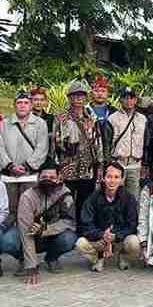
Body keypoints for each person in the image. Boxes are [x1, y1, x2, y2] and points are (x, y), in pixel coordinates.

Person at [9, 161, 77, 285]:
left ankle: (51, 258)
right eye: (44, 177)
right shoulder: (27, 197)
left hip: (51, 236)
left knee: (69, 238)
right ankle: (23, 260)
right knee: (8, 240)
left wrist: (45, 229)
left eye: (52, 178)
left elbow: (69, 222)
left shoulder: (65, 194)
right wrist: (31, 267)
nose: (48, 180)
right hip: (31, 235)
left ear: (59, 178)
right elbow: (25, 231)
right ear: (38, 178)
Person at [53, 80, 103, 225]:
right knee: (66, 201)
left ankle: (83, 230)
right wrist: (57, 168)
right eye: (74, 96)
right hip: (68, 167)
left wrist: (99, 165)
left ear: (85, 98)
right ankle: (66, 230)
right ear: (69, 98)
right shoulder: (61, 117)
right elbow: (55, 146)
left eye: (81, 96)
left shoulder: (91, 118)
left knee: (85, 201)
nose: (78, 99)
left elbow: (97, 142)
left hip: (87, 168)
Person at [0, 91, 50, 224]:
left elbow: (42, 148)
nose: (22, 106)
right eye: (19, 103)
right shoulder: (4, 124)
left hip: (30, 175)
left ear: (31, 105)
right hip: (9, 176)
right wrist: (10, 166)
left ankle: (28, 241)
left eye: (26, 103)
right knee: (9, 211)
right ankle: (9, 241)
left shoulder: (40, 123)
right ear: (14, 105)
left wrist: (27, 166)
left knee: (30, 210)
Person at [76, 162, 141, 272]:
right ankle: (98, 258)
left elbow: (132, 225)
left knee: (134, 242)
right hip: (99, 239)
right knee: (80, 243)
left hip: (120, 238)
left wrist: (115, 236)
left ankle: (123, 257)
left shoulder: (129, 198)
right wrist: (102, 235)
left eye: (116, 177)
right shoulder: (93, 198)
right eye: (109, 177)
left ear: (121, 180)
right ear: (103, 178)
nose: (112, 181)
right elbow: (85, 224)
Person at [108, 87, 148, 200]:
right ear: (120, 100)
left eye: (132, 98)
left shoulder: (142, 119)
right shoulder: (112, 118)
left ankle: (132, 218)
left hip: (135, 164)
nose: (129, 101)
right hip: (117, 163)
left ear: (136, 100)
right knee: (115, 197)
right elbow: (107, 143)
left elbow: (146, 142)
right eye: (125, 98)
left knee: (133, 198)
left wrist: (145, 164)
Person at [89, 76, 115, 163]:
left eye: (103, 91)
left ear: (108, 93)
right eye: (96, 91)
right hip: (90, 157)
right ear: (91, 93)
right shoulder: (85, 112)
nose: (100, 94)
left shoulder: (114, 112)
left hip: (111, 157)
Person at [30, 86, 55, 159]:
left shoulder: (50, 118)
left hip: (46, 156)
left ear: (45, 102)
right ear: (31, 101)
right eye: (36, 100)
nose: (39, 103)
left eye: (42, 100)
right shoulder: (25, 118)